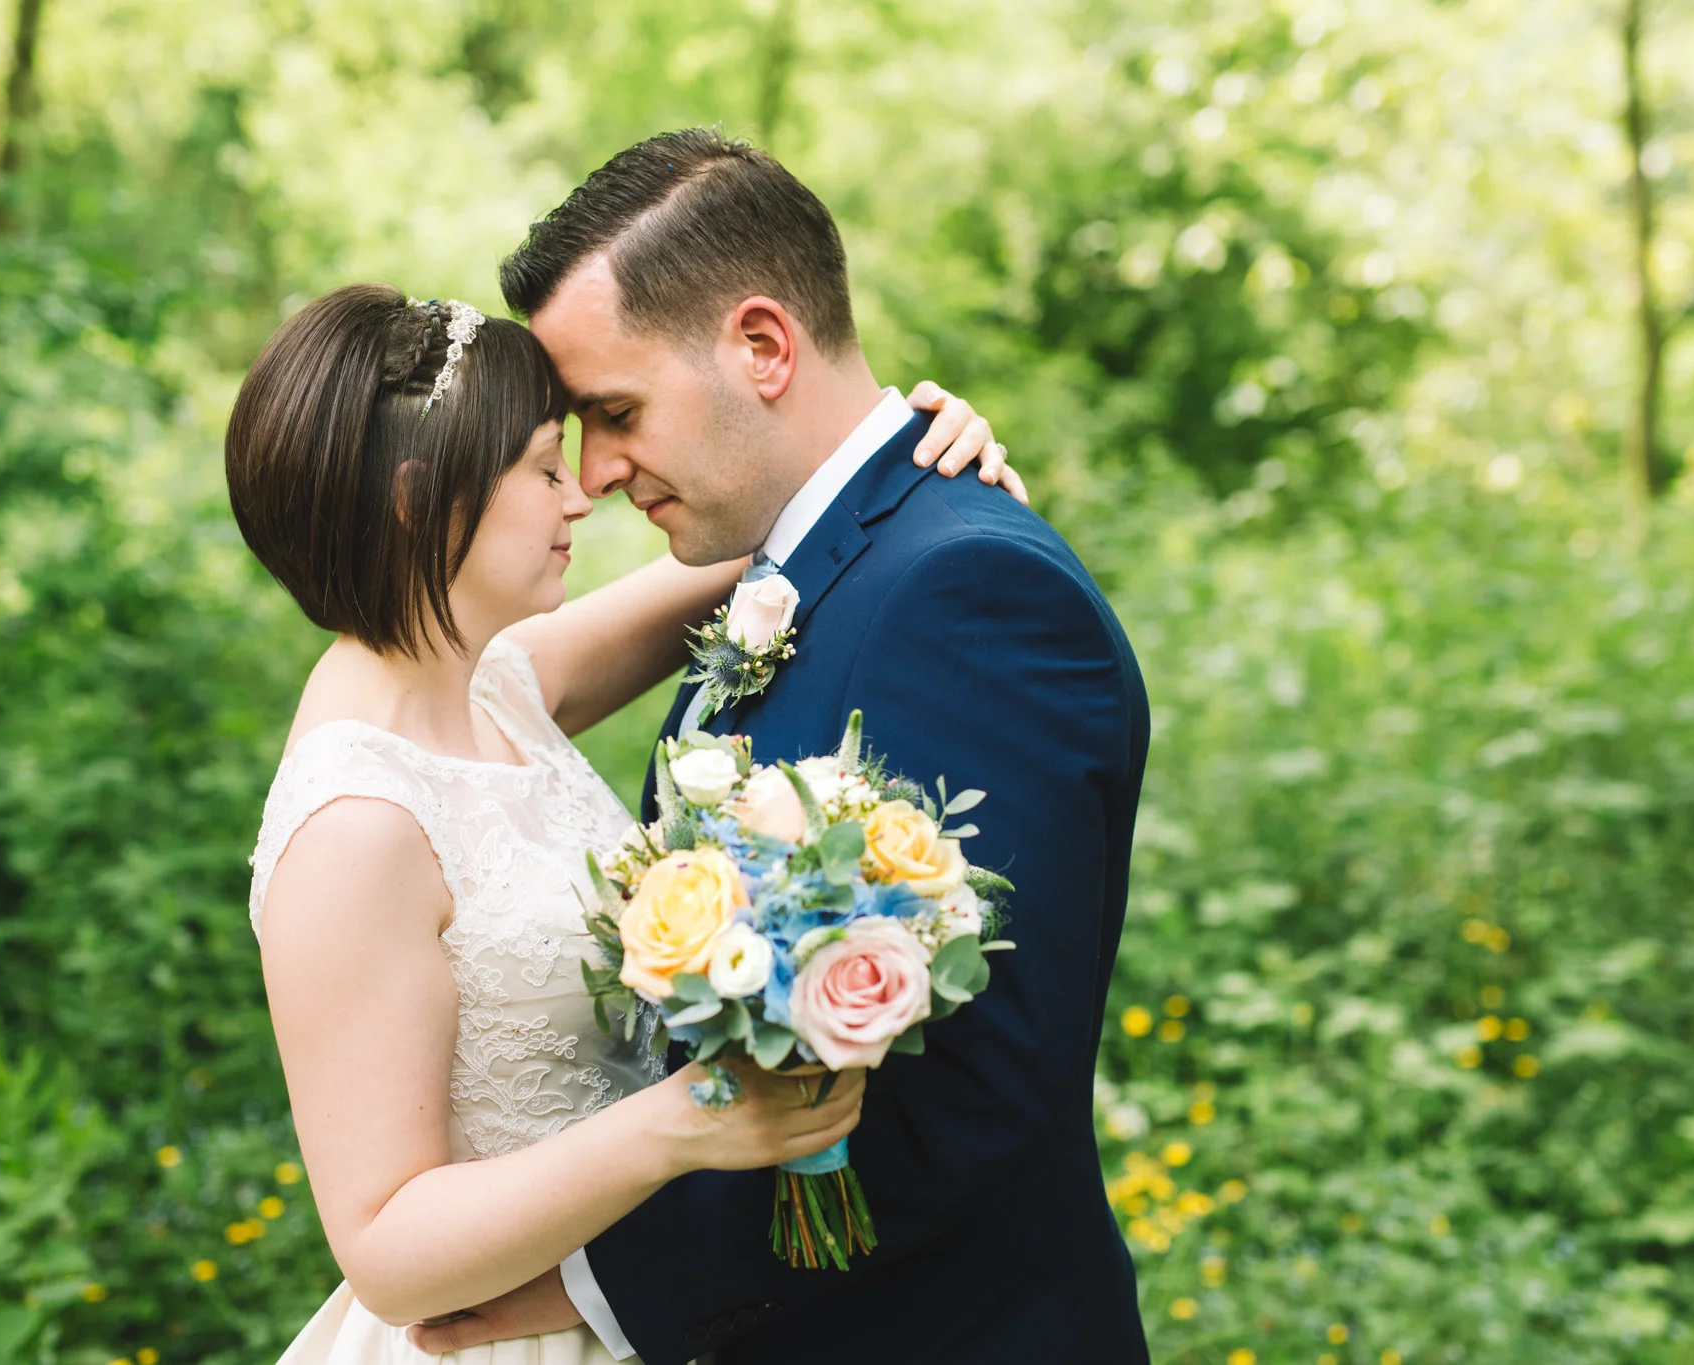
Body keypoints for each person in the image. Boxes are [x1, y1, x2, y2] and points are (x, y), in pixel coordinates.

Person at [409, 129, 1150, 1365]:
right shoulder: (795, 567)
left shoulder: (964, 589)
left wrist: (588, 1287)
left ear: (761, 346)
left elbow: (970, 1093)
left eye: (615, 410)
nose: (595, 473)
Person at [229, 281, 1021, 1363]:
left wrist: (908, 447)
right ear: (421, 502)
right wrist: (681, 1123)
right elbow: (384, 1245)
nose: (579, 496)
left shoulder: (493, 681)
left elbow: (758, 549)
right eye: (543, 469)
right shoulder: (357, 825)